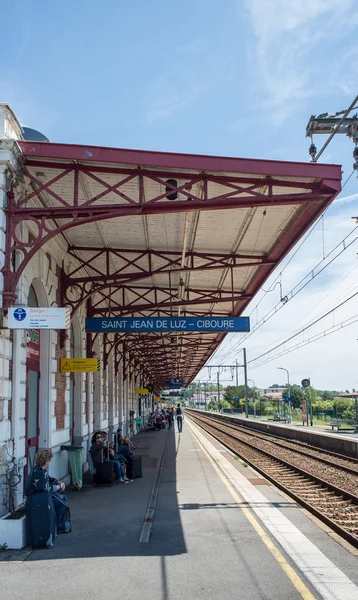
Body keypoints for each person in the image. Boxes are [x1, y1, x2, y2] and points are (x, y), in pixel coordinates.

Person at [26, 449, 68, 529]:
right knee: (61, 504)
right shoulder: (39, 473)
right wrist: (59, 487)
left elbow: (50, 479)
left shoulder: (39, 470)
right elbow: (48, 487)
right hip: (39, 500)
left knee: (63, 498)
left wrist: (59, 482)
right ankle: (53, 527)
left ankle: (53, 523)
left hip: (40, 497)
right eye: (50, 460)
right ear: (46, 460)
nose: (50, 462)